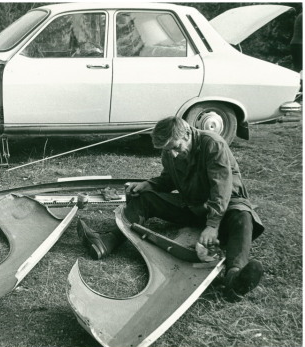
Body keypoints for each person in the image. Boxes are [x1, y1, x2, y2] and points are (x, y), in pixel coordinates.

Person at [78, 116, 265, 302]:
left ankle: (234, 278)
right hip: (192, 205)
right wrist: (148, 185)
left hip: (226, 205)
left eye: (175, 147)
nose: (172, 154)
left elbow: (221, 187)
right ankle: (109, 240)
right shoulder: (169, 151)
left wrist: (213, 224)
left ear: (187, 134)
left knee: (243, 216)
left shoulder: (212, 144)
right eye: (168, 150)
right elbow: (169, 179)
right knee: (145, 198)